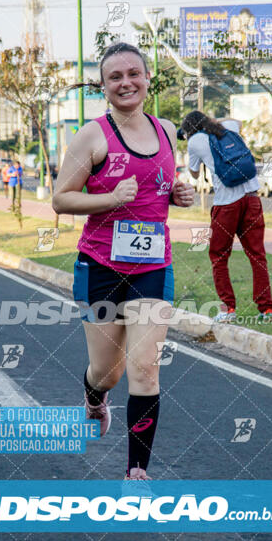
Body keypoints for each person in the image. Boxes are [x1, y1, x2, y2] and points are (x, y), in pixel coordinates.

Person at [53, 42, 194, 481]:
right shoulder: (92, 135)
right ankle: (95, 398)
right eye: (115, 77)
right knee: (107, 372)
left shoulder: (167, 130)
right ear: (104, 86)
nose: (126, 82)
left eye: (134, 73)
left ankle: (137, 471)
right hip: (100, 267)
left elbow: (163, 184)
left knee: (145, 370)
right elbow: (61, 198)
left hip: (153, 267)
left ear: (148, 78)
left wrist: (179, 193)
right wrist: (111, 198)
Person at [182, 110, 272, 324]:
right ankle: (267, 310)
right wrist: (211, 123)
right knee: (257, 255)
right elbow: (238, 121)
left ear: (188, 130)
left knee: (219, 256)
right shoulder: (229, 129)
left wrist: (193, 141)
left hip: (227, 205)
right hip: (252, 200)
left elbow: (194, 174)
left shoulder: (195, 140)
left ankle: (228, 308)